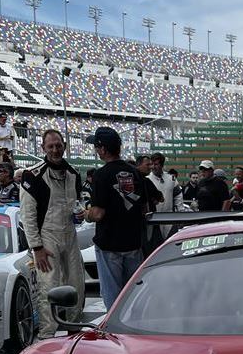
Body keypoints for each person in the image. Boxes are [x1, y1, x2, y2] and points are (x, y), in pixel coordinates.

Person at [19, 128, 85, 339]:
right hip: (46, 237)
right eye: (51, 146)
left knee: (76, 284)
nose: (55, 150)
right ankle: (47, 335)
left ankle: (74, 330)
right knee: (49, 286)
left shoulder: (73, 173)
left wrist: (80, 214)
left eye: (58, 145)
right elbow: (27, 216)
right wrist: (36, 247)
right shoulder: (32, 175)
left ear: (64, 146)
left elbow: (77, 204)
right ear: (43, 148)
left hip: (70, 234)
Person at [86, 127, 154, 309]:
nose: (96, 150)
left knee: (113, 299)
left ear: (102, 149)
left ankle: (115, 327)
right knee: (134, 297)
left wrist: (87, 214)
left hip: (110, 244)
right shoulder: (135, 173)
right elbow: (144, 209)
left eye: (97, 147)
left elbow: (98, 213)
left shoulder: (101, 174)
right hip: (133, 242)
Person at [147, 151, 184, 238]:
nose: (153, 167)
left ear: (162, 165)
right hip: (154, 219)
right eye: (152, 164)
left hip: (170, 218)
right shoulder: (146, 179)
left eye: (156, 164)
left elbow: (178, 197)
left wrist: (181, 214)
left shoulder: (171, 178)